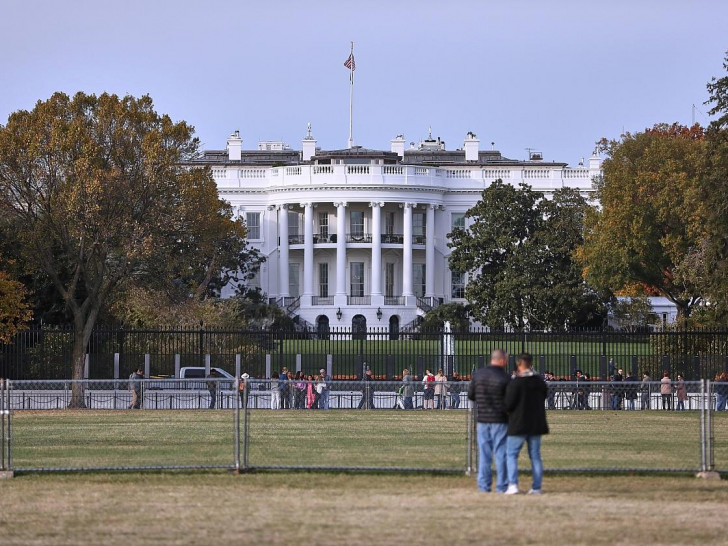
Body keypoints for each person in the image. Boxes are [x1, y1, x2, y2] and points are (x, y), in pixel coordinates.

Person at [504, 353, 549, 495]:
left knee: (511, 454)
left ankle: (513, 485)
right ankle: (536, 487)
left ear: (519, 364)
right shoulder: (539, 382)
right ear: (531, 364)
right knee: (535, 455)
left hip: (519, 422)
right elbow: (544, 396)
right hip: (536, 422)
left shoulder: (516, 382)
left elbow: (508, 404)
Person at [467, 349, 510, 493]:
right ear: (503, 360)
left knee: (484, 455)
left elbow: (471, 395)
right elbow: (510, 400)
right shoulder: (505, 377)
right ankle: (502, 486)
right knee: (501, 453)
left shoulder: (479, 375)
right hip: (500, 419)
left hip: (483, 419)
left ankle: (484, 486)